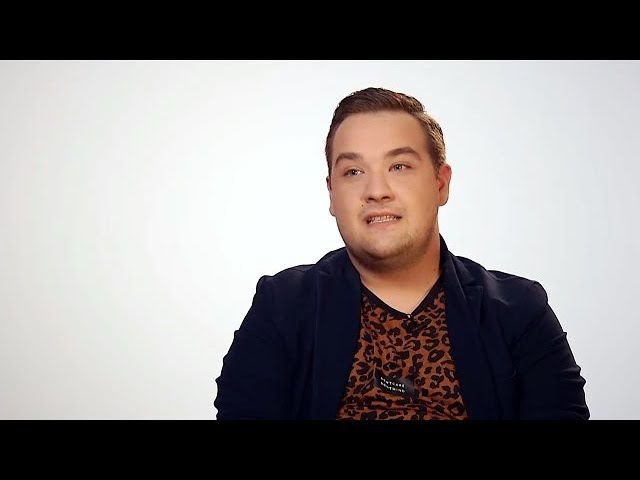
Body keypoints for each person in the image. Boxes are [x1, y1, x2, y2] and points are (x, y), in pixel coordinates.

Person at [214, 87, 589, 420]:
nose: (376, 190)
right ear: (331, 194)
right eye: (353, 171)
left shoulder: (519, 311)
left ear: (441, 184)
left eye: (399, 166)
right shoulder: (282, 305)